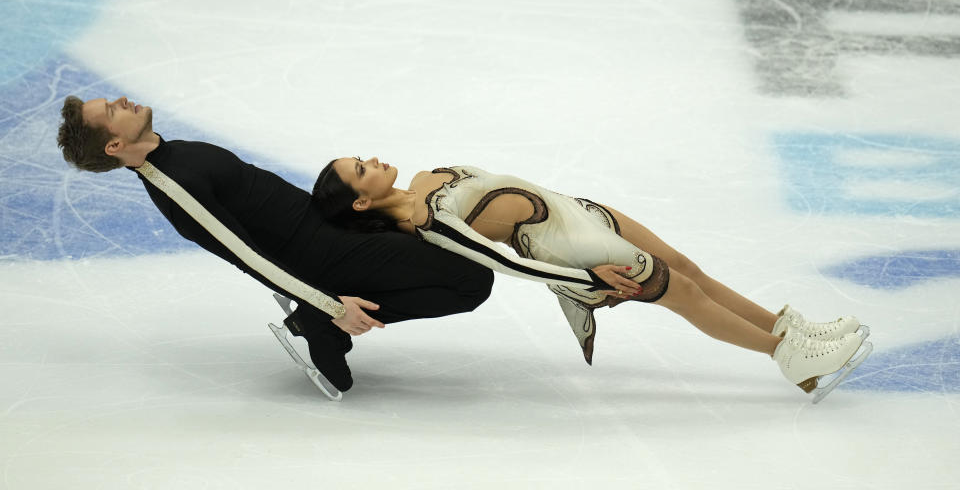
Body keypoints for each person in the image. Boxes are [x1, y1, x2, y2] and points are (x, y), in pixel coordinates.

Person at [312, 156, 873, 402]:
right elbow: (505, 262)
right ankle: (787, 356)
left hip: (578, 211)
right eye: (361, 169)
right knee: (687, 296)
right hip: (573, 248)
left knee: (691, 269)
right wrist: (581, 276)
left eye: (361, 156)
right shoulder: (428, 222)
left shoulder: (421, 175)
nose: (372, 159)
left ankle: (789, 330)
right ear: (362, 202)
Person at [55, 96, 494, 399]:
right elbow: (246, 256)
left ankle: (315, 316)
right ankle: (317, 323)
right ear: (114, 145)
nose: (124, 101)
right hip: (326, 254)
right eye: (113, 110)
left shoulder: (174, 151)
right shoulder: (174, 183)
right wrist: (330, 306)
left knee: (455, 255)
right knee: (472, 281)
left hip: (334, 232)